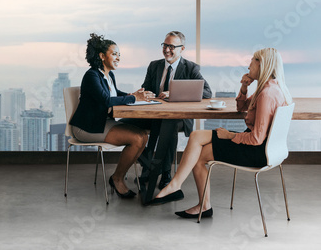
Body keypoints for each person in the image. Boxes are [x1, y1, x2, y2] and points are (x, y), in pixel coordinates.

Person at [152, 48, 293, 218]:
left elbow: (256, 138)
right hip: (267, 148)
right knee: (197, 136)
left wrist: (230, 135)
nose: (248, 66)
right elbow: (241, 108)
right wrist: (244, 86)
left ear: (262, 64)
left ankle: (199, 203)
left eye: (252, 61)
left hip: (257, 151)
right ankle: (177, 185)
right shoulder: (271, 88)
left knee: (200, 156)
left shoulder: (267, 94)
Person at [69, 33, 152, 198]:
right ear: (102, 56)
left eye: (119, 54)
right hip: (86, 127)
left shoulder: (108, 75)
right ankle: (117, 178)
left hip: (102, 123)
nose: (118, 58)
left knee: (143, 135)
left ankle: (121, 175)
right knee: (136, 139)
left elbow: (114, 93)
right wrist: (134, 98)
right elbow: (106, 100)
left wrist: (132, 94)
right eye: (114, 54)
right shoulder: (92, 75)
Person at [127, 31, 212, 191]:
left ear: (182, 48)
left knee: (169, 125)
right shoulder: (154, 65)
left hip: (178, 118)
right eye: (165, 45)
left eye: (171, 46)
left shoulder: (190, 68)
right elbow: (146, 88)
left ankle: (164, 174)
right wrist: (146, 93)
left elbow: (207, 92)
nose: (167, 50)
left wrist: (174, 94)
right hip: (154, 114)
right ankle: (149, 166)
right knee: (126, 123)